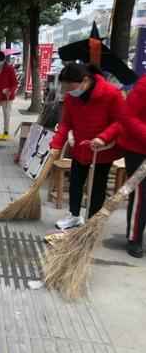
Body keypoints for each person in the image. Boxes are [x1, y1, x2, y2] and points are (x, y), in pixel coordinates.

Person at [50, 63, 124, 230]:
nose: (68, 91)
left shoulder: (112, 94)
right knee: (76, 181)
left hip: (101, 149)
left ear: (85, 81)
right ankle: (74, 215)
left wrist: (103, 138)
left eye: (70, 87)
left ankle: (92, 220)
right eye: (65, 87)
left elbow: (120, 121)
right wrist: (55, 145)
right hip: (80, 147)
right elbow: (65, 123)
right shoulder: (71, 97)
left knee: (98, 185)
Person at [117, 76, 146, 258]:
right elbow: (127, 116)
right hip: (138, 149)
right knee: (141, 197)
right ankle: (134, 238)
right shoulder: (144, 85)